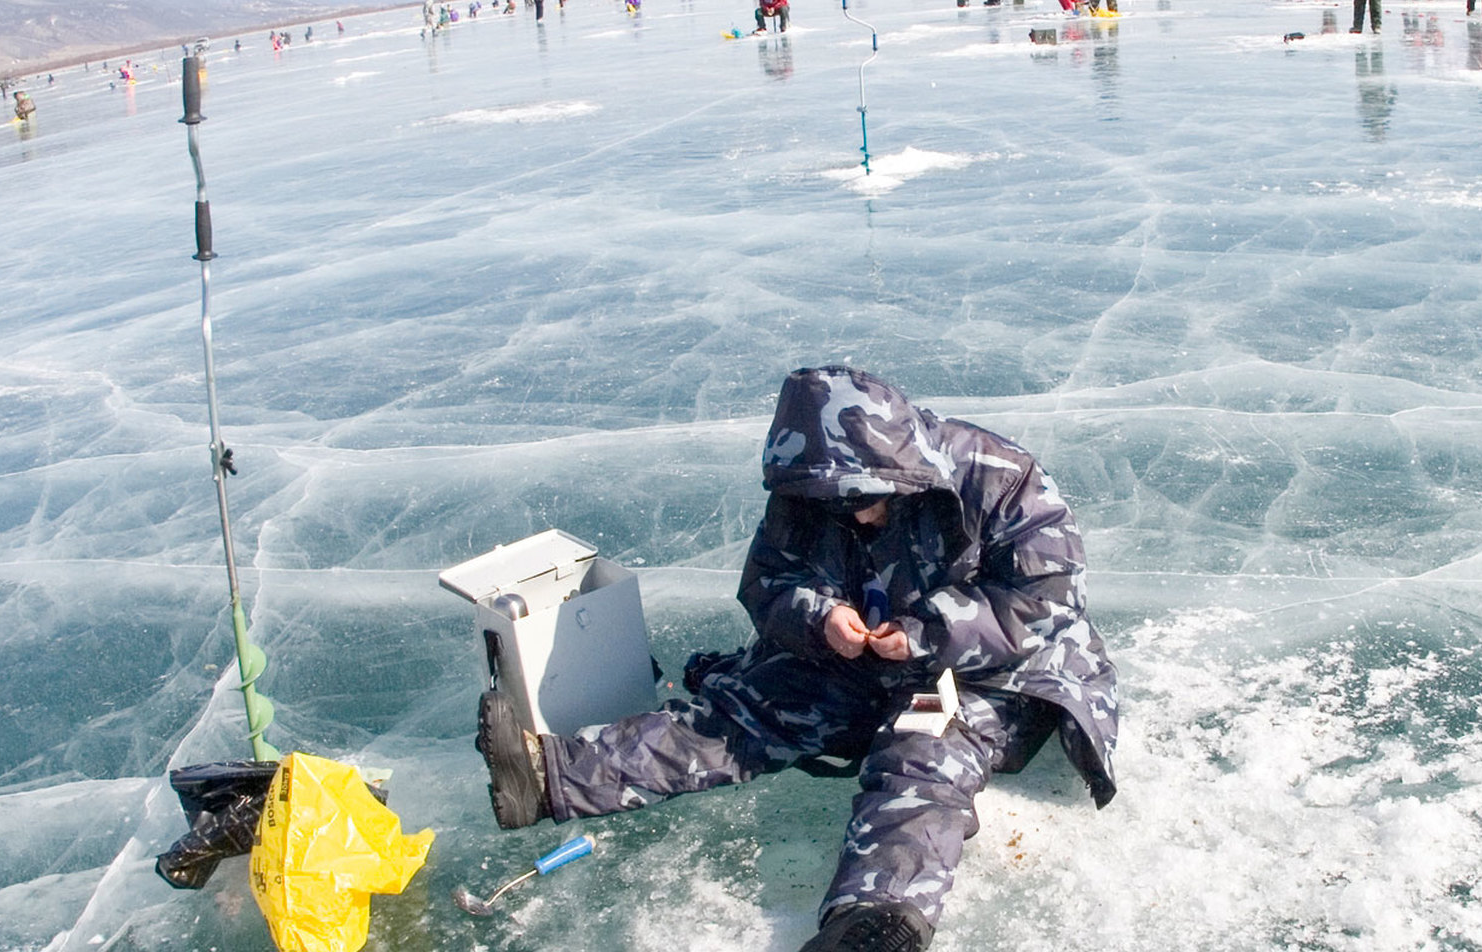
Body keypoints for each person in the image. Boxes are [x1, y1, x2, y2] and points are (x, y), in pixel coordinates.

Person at [475, 366, 1119, 952]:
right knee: (747, 713)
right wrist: (818, 620)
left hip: (999, 675)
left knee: (921, 756)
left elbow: (1049, 600)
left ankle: (875, 922)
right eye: (837, 504)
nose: (857, 517)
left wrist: (923, 636)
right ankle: (550, 778)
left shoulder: (998, 477)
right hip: (863, 663)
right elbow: (766, 585)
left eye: (868, 498)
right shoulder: (810, 491)